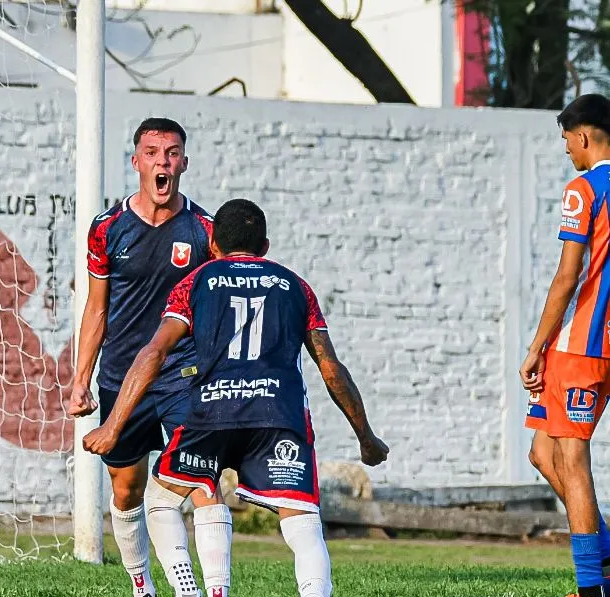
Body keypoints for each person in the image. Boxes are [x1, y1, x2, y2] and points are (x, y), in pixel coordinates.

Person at [84, 199, 389, 597]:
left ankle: (191, 591)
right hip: (279, 414)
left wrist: (112, 425)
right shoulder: (296, 287)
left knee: (160, 501)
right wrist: (365, 436)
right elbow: (331, 368)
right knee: (302, 520)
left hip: (212, 412)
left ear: (212, 246)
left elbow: (153, 353)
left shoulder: (194, 283)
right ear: (264, 246)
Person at [67, 118, 230, 597]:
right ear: (136, 161)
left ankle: (215, 590)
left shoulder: (205, 231)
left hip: (183, 374)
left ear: (184, 162)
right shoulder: (107, 229)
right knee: (126, 490)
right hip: (121, 378)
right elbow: (96, 309)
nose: (163, 161)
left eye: (172, 152)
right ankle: (142, 585)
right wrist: (81, 379)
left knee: (203, 483)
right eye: (153, 152)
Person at [522, 93, 610, 597]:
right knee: (542, 452)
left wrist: (536, 345)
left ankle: (590, 585)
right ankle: (605, 552)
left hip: (582, 343)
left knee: (572, 458)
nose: (566, 152)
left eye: (566, 142)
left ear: (582, 137)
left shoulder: (583, 188)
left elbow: (567, 275)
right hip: (591, 344)